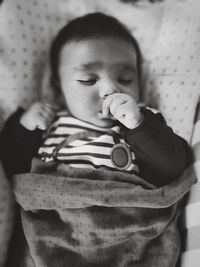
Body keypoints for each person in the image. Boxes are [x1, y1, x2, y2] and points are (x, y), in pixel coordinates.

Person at [0, 12, 191, 187]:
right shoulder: (48, 124)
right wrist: (24, 128)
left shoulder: (145, 124)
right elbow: (13, 166)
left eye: (125, 79)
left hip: (130, 218)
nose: (109, 89)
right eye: (88, 80)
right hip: (56, 218)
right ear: (58, 89)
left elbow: (174, 169)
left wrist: (140, 124)